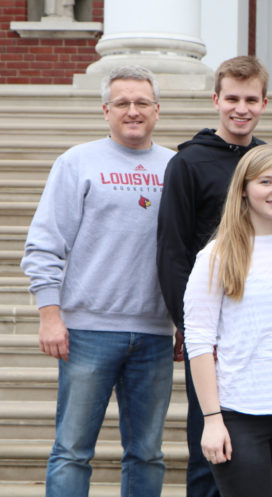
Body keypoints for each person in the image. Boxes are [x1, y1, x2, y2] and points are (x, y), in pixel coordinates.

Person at [20, 65, 175, 497]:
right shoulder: (77, 162)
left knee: (147, 453)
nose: (132, 110)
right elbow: (43, 244)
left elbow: (188, 254)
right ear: (106, 110)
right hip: (87, 331)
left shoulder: (176, 167)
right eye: (122, 102)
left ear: (157, 111)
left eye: (142, 102)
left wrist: (185, 320)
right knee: (72, 451)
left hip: (155, 335)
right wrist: (50, 315)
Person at [183, 144, 272, 497]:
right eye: (267, 181)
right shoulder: (215, 256)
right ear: (243, 187)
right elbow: (198, 341)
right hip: (239, 414)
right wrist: (212, 419)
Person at [156, 55, 268, 497]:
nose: (241, 108)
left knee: (253, 442)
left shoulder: (266, 162)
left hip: (256, 322)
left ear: (264, 103)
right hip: (210, 327)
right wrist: (188, 326)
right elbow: (172, 250)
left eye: (251, 100)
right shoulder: (188, 163)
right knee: (210, 441)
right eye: (233, 99)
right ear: (217, 99)